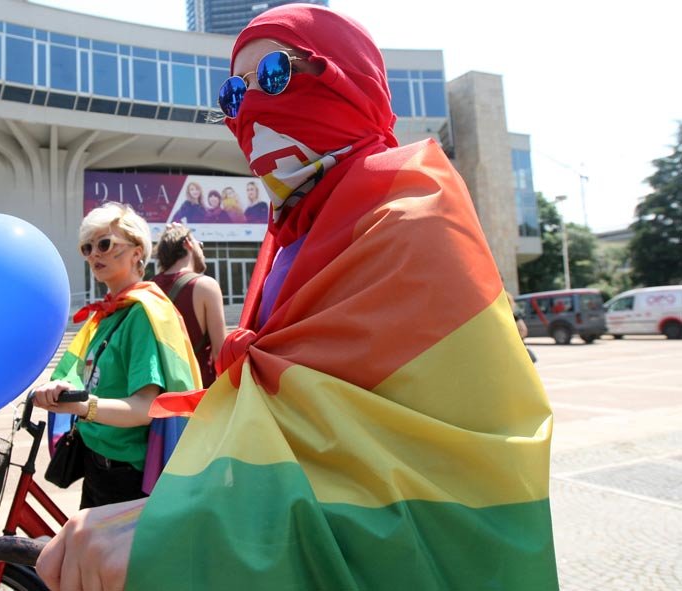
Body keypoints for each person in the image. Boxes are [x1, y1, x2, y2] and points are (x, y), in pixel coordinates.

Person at [36, 6, 558, 591]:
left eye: (277, 74)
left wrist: (194, 529)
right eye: (235, 94)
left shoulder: (413, 216)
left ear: (346, 77)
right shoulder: (286, 238)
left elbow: (435, 462)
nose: (252, 106)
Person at [31, 202, 201, 509]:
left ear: (137, 252)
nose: (94, 254)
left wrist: (84, 406)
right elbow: (83, 374)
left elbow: (146, 408)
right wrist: (62, 391)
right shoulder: (107, 313)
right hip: (95, 462)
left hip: (125, 476)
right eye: (87, 247)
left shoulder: (143, 314)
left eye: (105, 244)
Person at [152, 223, 227, 387]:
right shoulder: (205, 286)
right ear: (188, 243)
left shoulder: (148, 288)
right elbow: (220, 354)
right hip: (198, 397)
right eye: (200, 245)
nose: (202, 251)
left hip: (159, 399)